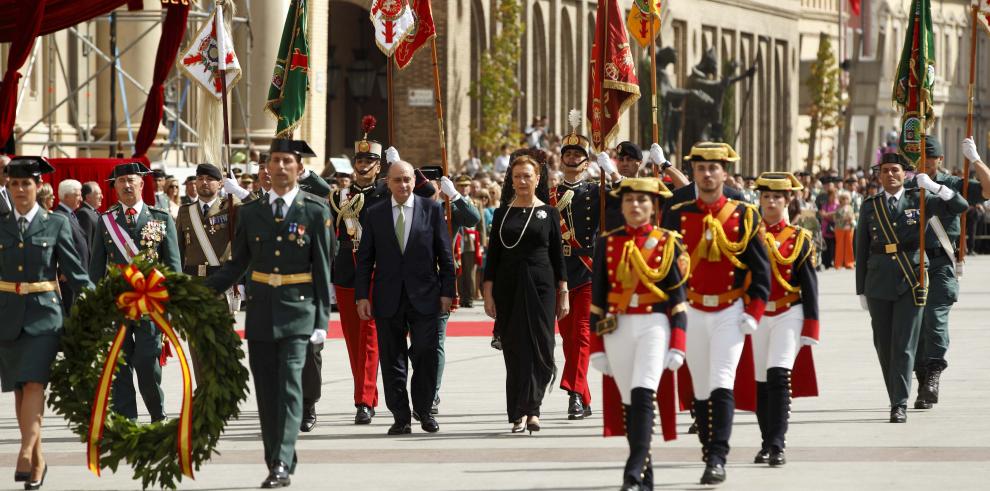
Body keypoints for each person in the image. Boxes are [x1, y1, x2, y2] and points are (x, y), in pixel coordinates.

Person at [204, 139, 334, 488]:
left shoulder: (315, 211)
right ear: (266, 169)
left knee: (290, 386)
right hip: (261, 314)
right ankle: (279, 456)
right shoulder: (250, 212)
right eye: (274, 161)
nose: (279, 167)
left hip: (298, 313)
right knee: (266, 392)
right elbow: (236, 265)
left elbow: (322, 270)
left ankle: (279, 462)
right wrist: (196, 293)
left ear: (297, 168)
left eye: (286, 161)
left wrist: (322, 321)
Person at [660, 142, 770, 485]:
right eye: (701, 168)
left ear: (725, 172)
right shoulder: (676, 213)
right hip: (691, 309)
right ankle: (709, 447)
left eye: (714, 168)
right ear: (692, 172)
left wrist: (753, 310)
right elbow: (665, 269)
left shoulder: (744, 214)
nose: (707, 174)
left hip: (730, 310)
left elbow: (761, 270)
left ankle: (719, 455)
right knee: (701, 389)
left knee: (723, 380)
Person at [0, 157, 93, 491]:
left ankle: (25, 451)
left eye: (26, 184)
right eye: (14, 184)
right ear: (8, 187)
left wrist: (106, 302)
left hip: (44, 315)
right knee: (20, 389)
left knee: (35, 382)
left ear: (39, 187)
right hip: (8, 315)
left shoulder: (55, 224)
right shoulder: (1, 224)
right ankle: (38, 461)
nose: (21, 190)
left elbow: (77, 274)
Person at [588, 178, 688, 491]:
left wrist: (678, 343)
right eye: (630, 200)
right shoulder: (607, 241)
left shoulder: (667, 241)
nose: (635, 206)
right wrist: (596, 347)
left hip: (653, 324)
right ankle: (646, 478)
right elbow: (598, 301)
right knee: (630, 403)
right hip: (617, 327)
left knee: (645, 392)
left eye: (642, 201)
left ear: (654, 207)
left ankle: (631, 471)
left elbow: (678, 301)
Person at [855, 152, 968, 423]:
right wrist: (861, 288)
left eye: (895, 170)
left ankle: (899, 403)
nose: (890, 175)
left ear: (905, 173)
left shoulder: (920, 199)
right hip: (878, 281)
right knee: (884, 345)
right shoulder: (870, 205)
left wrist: (935, 187)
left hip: (911, 280)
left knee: (905, 344)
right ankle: (895, 393)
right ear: (879, 175)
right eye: (885, 171)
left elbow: (961, 206)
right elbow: (860, 248)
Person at [354, 160, 455, 436]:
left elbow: (445, 256)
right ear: (388, 182)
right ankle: (400, 416)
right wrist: (362, 295)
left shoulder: (432, 210)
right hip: (387, 298)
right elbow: (365, 260)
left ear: (414, 181)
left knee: (425, 355)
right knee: (392, 359)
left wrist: (448, 292)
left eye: (408, 179)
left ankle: (423, 410)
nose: (403, 185)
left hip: (426, 297)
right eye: (397, 180)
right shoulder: (374, 214)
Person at [89, 162, 182, 423]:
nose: (127, 185)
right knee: (119, 363)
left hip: (151, 304)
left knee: (145, 360)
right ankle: (125, 416)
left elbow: (173, 265)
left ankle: (156, 411)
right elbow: (96, 267)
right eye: (121, 181)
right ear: (114, 187)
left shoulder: (160, 217)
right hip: (118, 302)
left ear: (142, 185)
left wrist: (175, 303)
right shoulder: (106, 221)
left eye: (132, 180)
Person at [483, 155, 568, 433]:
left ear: (538, 178)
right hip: (509, 288)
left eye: (527, 176)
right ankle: (518, 412)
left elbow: (558, 256)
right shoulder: (501, 213)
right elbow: (492, 256)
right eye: (517, 176)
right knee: (515, 349)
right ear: (511, 179)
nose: (522, 181)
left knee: (541, 348)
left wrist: (563, 291)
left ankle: (534, 409)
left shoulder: (550, 213)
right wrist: (488, 291)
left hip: (542, 287)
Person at [909, 137, 990, 409]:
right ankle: (922, 381)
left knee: (935, 318)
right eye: (919, 156)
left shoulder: (953, 183)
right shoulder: (907, 184)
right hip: (910, 263)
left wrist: (975, 159)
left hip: (940, 261)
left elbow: (989, 189)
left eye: (930, 157)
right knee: (915, 324)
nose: (924, 161)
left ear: (940, 159)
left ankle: (933, 374)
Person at [549, 113, 616, 419]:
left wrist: (613, 176)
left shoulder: (597, 190)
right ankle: (585, 395)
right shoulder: (548, 193)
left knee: (583, 332)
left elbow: (630, 201)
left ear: (588, 161)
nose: (573, 157)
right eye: (568, 153)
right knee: (569, 338)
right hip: (559, 272)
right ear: (561, 160)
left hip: (588, 269)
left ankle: (574, 393)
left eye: (578, 154)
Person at [751, 172, 820, 467]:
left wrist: (811, 325)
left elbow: (810, 284)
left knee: (780, 375)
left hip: (788, 312)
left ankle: (778, 443)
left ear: (788, 200)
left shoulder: (799, 239)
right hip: (756, 315)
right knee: (761, 382)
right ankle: (767, 440)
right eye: (765, 197)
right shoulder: (748, 236)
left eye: (777, 197)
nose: (771, 202)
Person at [175, 164, 239, 380]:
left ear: (220, 183)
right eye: (199, 178)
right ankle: (202, 388)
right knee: (196, 340)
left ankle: (220, 387)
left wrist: (238, 193)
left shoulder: (231, 207)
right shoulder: (185, 212)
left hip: (221, 283)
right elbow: (178, 250)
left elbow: (260, 210)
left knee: (220, 341)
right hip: (194, 283)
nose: (203, 182)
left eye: (210, 179)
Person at [53, 179, 89, 312]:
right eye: (78, 195)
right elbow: (57, 245)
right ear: (66, 196)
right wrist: (63, 270)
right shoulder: (59, 216)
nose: (81, 198)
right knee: (70, 313)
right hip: (68, 277)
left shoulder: (71, 215)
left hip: (76, 275)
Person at [833, 191, 856, 269]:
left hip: (849, 228)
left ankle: (849, 263)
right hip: (839, 228)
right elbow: (835, 218)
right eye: (843, 198)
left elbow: (853, 217)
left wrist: (851, 219)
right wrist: (843, 219)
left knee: (849, 246)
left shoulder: (850, 208)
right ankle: (838, 264)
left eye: (846, 198)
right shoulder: (838, 208)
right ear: (840, 200)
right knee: (839, 246)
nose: (845, 200)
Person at [76, 181, 102, 247]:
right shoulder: (84, 213)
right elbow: (87, 243)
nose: (102, 197)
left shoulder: (94, 212)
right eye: (98, 194)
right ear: (88, 197)